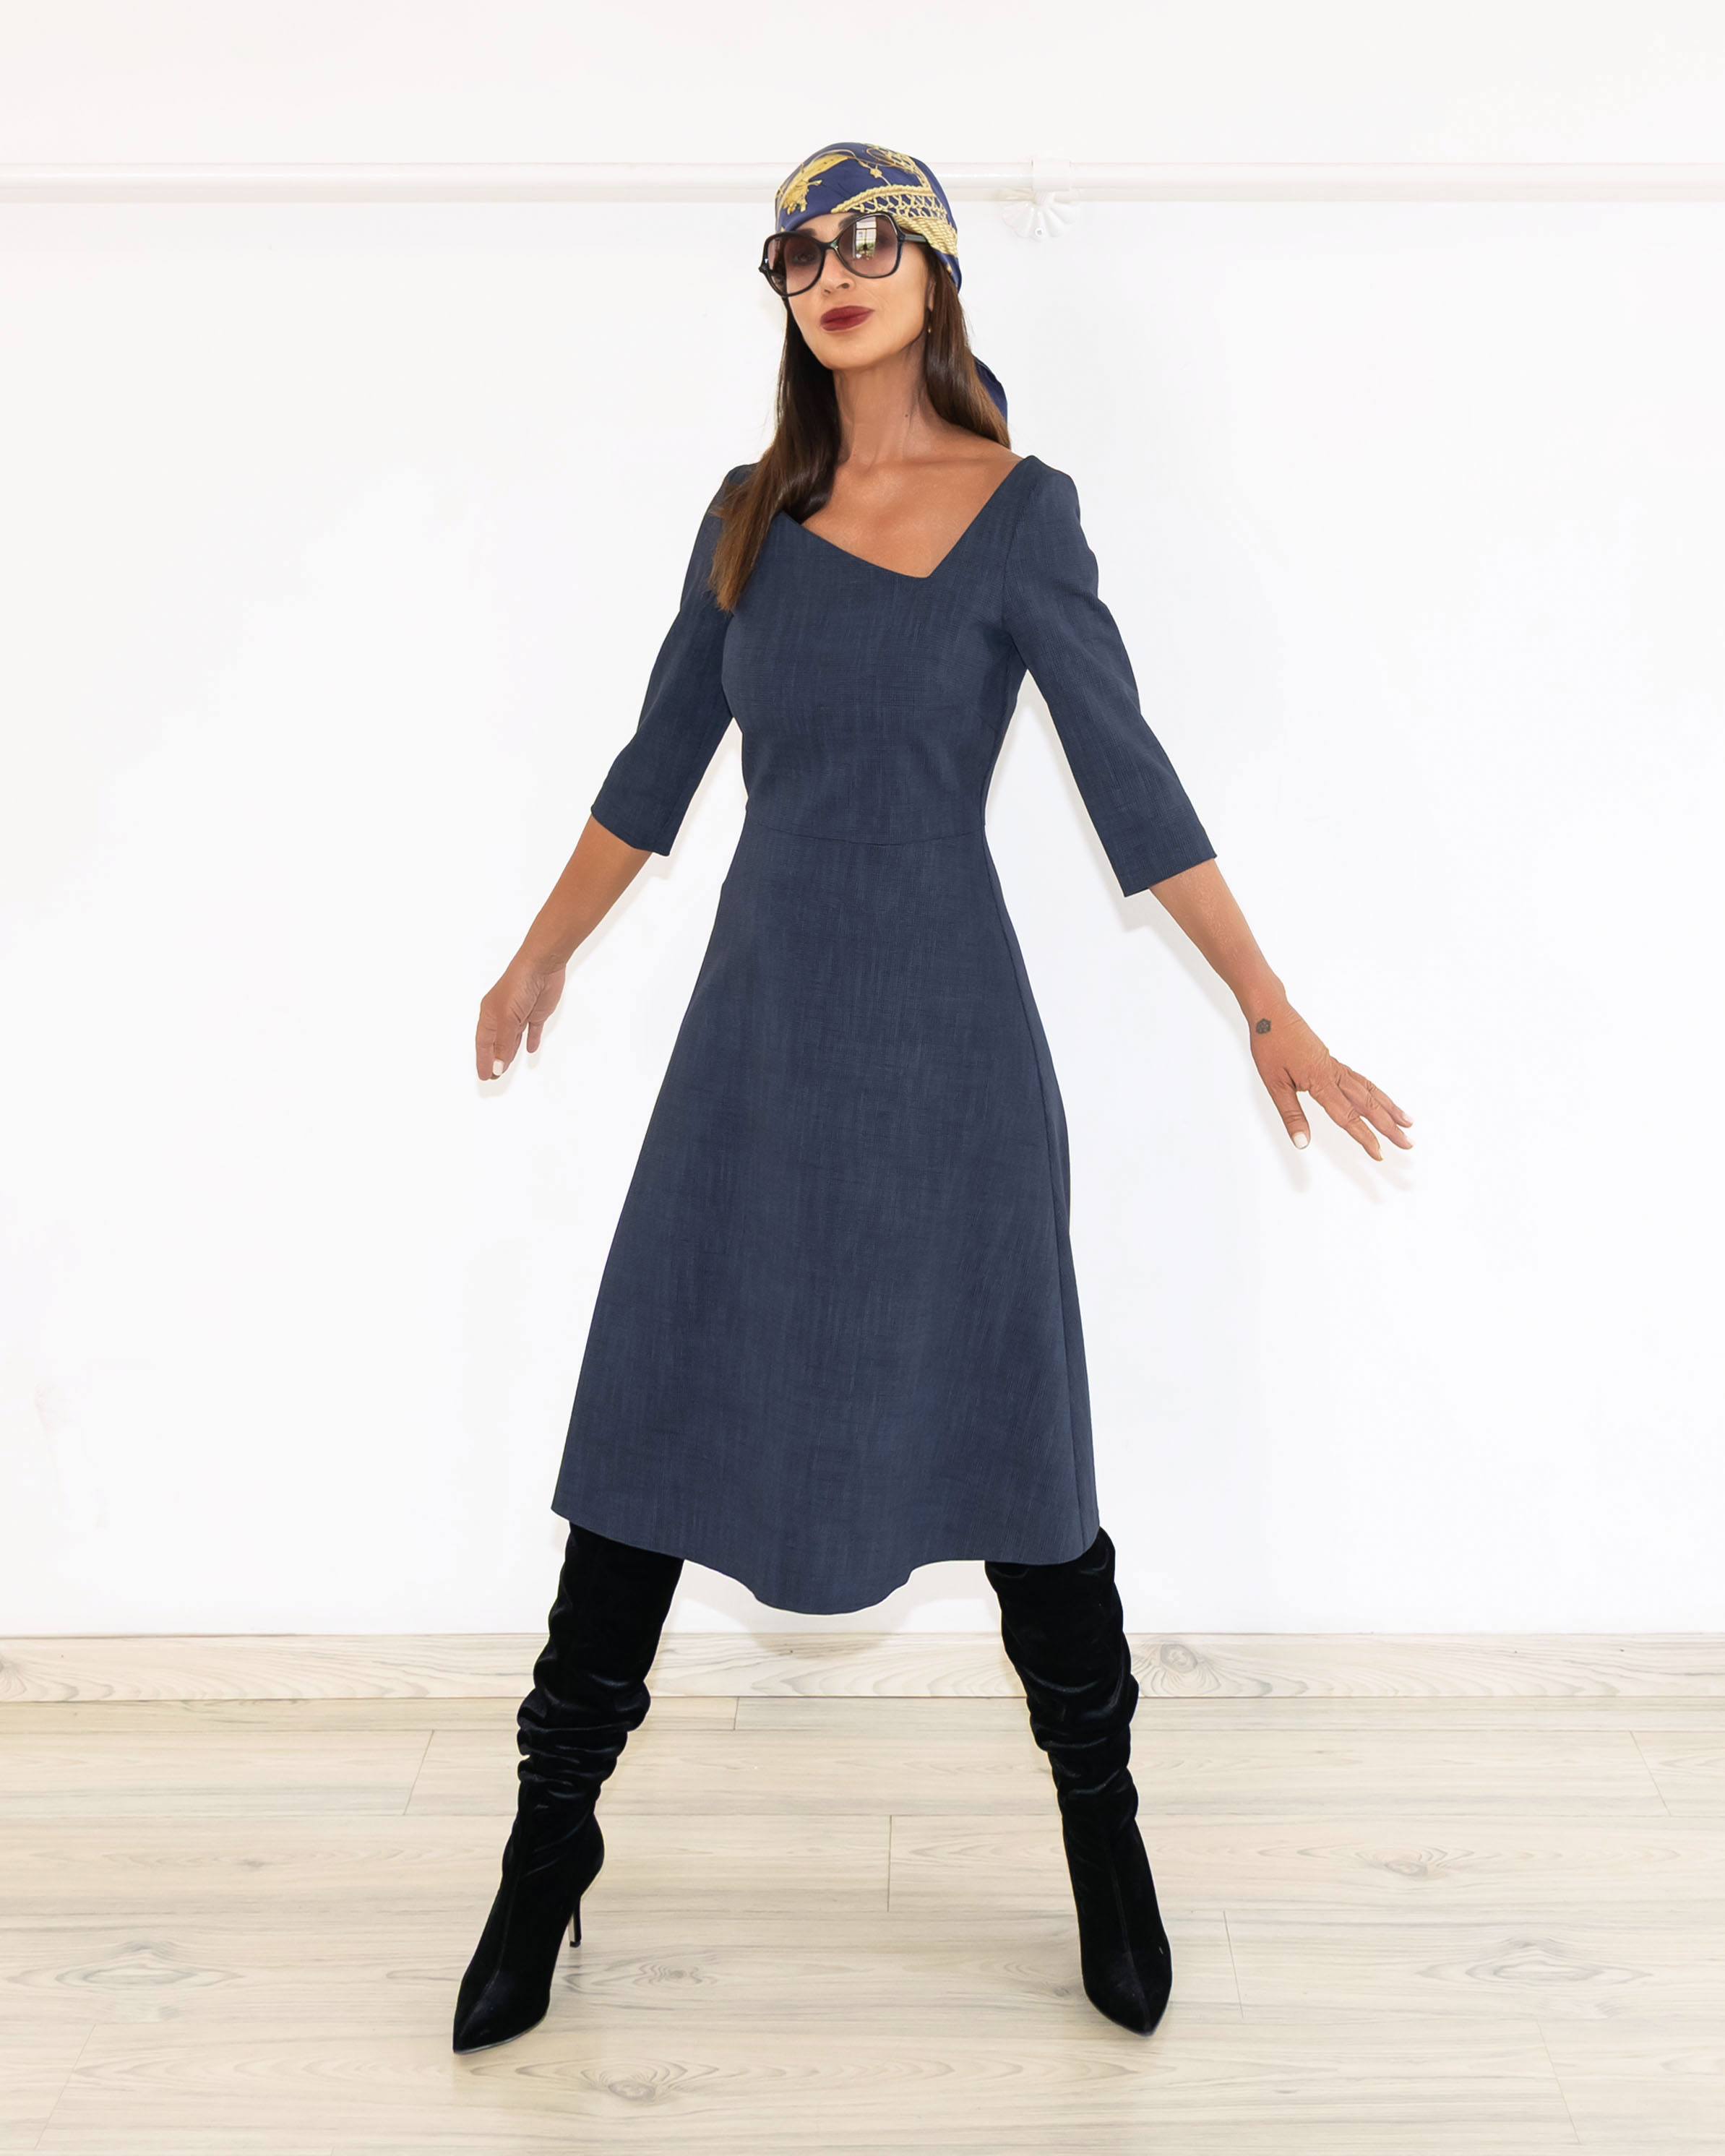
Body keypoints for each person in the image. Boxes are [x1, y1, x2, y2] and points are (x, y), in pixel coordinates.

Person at [455, 141, 1412, 2054]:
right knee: (654, 1414)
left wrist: (1270, 1008)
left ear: (936, 274)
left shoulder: (1022, 514)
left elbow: (1129, 778)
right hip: (752, 1051)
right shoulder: (747, 516)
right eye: (800, 251)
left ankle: (1105, 1841)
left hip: (948, 1058)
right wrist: (540, 951)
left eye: (871, 239)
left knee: (1017, 1452)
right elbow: (653, 768)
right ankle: (546, 1850)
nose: (834, 269)